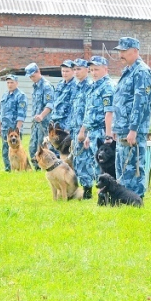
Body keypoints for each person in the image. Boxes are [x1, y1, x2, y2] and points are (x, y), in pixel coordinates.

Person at [112, 37, 151, 198]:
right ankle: (124, 199)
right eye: (120, 51)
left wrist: (133, 129)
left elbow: (140, 103)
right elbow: (121, 101)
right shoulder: (128, 71)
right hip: (122, 127)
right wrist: (116, 127)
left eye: (124, 51)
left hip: (133, 130)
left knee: (133, 167)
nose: (120, 55)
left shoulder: (142, 72)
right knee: (122, 168)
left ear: (135, 51)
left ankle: (136, 200)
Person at [78, 56, 115, 198]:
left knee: (104, 166)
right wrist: (87, 134)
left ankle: (106, 196)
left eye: (97, 69)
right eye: (91, 70)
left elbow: (109, 113)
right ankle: (100, 195)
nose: (94, 72)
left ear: (105, 69)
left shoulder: (107, 86)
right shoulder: (94, 86)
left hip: (102, 130)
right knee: (95, 166)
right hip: (93, 132)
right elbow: (89, 112)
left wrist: (108, 135)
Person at [70, 58, 95, 197]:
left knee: (85, 160)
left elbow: (88, 111)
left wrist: (83, 130)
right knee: (78, 160)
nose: (76, 72)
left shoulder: (89, 86)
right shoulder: (77, 86)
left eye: (79, 69)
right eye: (74, 69)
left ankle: (88, 190)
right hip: (75, 129)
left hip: (84, 130)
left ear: (87, 69)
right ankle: (82, 187)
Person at [25, 62, 55, 169]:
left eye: (33, 75)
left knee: (45, 148)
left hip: (45, 123)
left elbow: (50, 104)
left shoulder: (46, 86)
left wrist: (42, 115)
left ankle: (49, 168)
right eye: (30, 77)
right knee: (33, 147)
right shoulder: (36, 86)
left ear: (38, 72)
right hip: (36, 123)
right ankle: (37, 169)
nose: (31, 78)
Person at [0, 75, 27, 172]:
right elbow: (1, 112)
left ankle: (21, 170)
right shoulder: (5, 95)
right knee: (5, 150)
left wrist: (17, 129)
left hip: (15, 129)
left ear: (17, 83)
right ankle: (8, 169)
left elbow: (21, 113)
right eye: (8, 82)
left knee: (18, 151)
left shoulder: (20, 95)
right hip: (5, 129)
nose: (10, 85)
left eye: (12, 82)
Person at [50, 59, 77, 134]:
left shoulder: (75, 85)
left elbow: (73, 108)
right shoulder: (60, 84)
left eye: (67, 71)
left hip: (65, 122)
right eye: (63, 71)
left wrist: (68, 126)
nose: (64, 73)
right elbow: (55, 103)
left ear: (73, 71)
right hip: (55, 121)